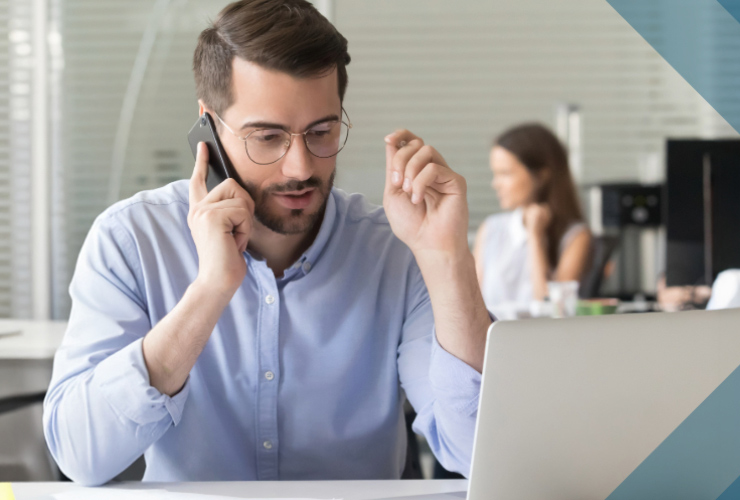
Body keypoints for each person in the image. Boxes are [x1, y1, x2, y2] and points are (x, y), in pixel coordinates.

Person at [42, 0, 492, 485]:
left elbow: (476, 453)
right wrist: (210, 291)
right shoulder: (132, 239)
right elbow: (81, 457)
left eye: (321, 131)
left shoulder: (396, 251)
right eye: (267, 137)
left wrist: (446, 258)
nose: (300, 167)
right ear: (210, 125)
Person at [474, 123, 591, 318]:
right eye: (495, 174)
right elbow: (474, 301)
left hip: (542, 343)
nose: (496, 184)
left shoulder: (576, 236)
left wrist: (535, 238)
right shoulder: (490, 228)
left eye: (505, 173)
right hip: (490, 341)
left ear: (541, 175)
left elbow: (552, 310)